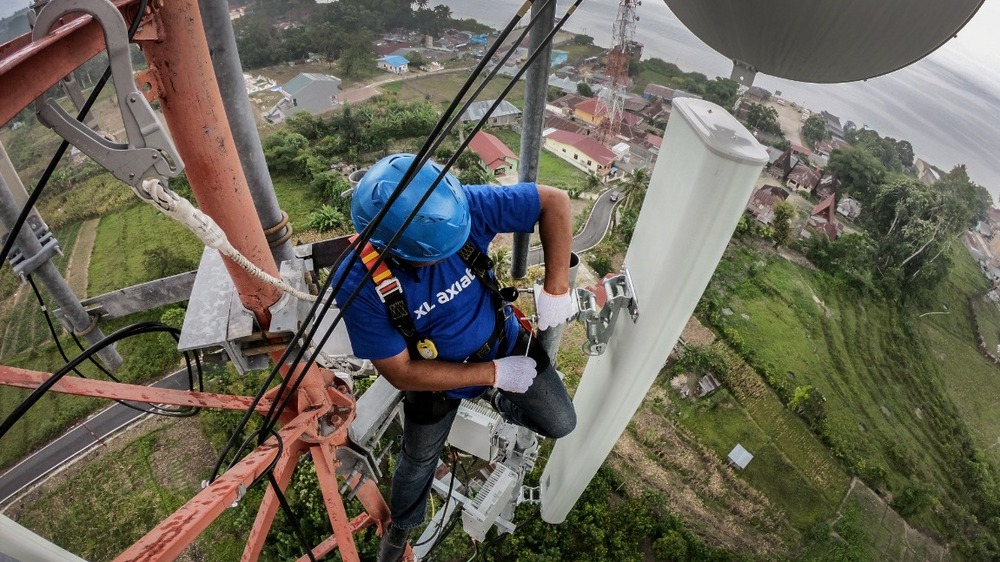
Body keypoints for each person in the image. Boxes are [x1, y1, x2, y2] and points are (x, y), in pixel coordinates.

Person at [333, 153, 578, 562]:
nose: (447, 261)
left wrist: (557, 287)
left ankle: (497, 398)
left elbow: (554, 201)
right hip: (436, 379)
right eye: (436, 258)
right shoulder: (359, 281)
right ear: (398, 251)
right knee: (418, 462)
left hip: (503, 340)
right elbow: (401, 372)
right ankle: (401, 530)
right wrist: (493, 374)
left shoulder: (451, 209)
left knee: (560, 422)